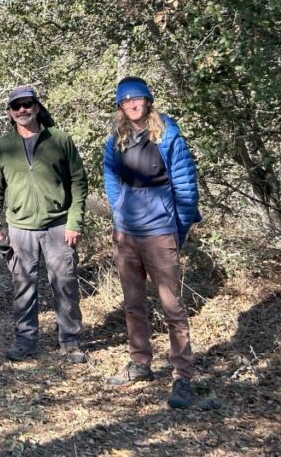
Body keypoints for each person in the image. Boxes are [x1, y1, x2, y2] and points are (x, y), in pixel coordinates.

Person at [102, 76, 201, 409]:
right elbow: (110, 176)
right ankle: (140, 363)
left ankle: (182, 376)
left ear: (148, 101)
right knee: (133, 304)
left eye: (138, 98)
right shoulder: (117, 137)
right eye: (126, 100)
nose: (132, 104)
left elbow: (186, 186)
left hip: (160, 232)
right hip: (127, 234)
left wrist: (179, 229)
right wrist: (119, 212)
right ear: (120, 105)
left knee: (172, 306)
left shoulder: (168, 134)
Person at [0, 86, 89, 363]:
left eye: (27, 104)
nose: (22, 110)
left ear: (37, 107)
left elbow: (79, 181)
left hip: (58, 224)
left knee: (64, 282)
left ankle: (70, 340)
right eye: (16, 106)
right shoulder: (3, 146)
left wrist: (74, 221)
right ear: (9, 112)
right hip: (20, 227)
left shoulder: (60, 140)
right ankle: (26, 340)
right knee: (23, 284)